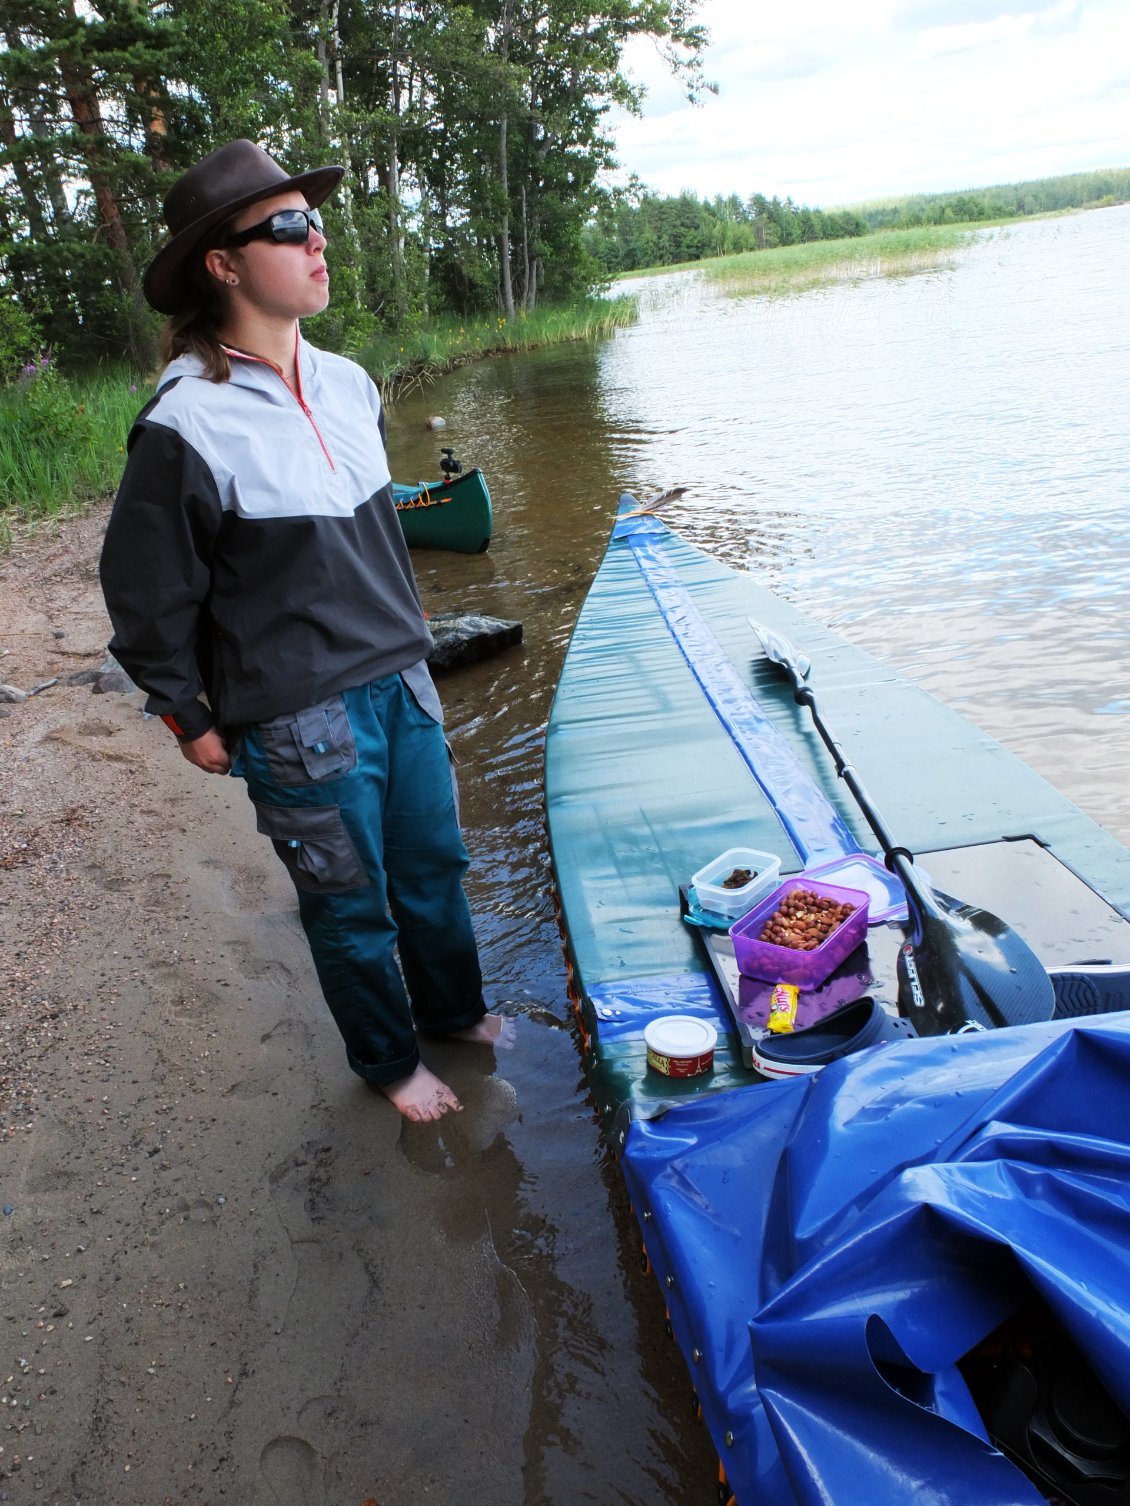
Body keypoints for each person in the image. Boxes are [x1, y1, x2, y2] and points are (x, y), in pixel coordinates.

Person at [99, 138, 507, 1122]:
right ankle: (387, 1063)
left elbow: (366, 540)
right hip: (295, 717)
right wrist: (187, 716)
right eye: (288, 226)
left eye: (315, 220)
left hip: (402, 681)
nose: (316, 239)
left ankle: (453, 1013)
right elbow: (142, 592)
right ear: (223, 263)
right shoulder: (185, 422)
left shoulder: (349, 383)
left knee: (434, 870)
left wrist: (410, 640)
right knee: (349, 906)